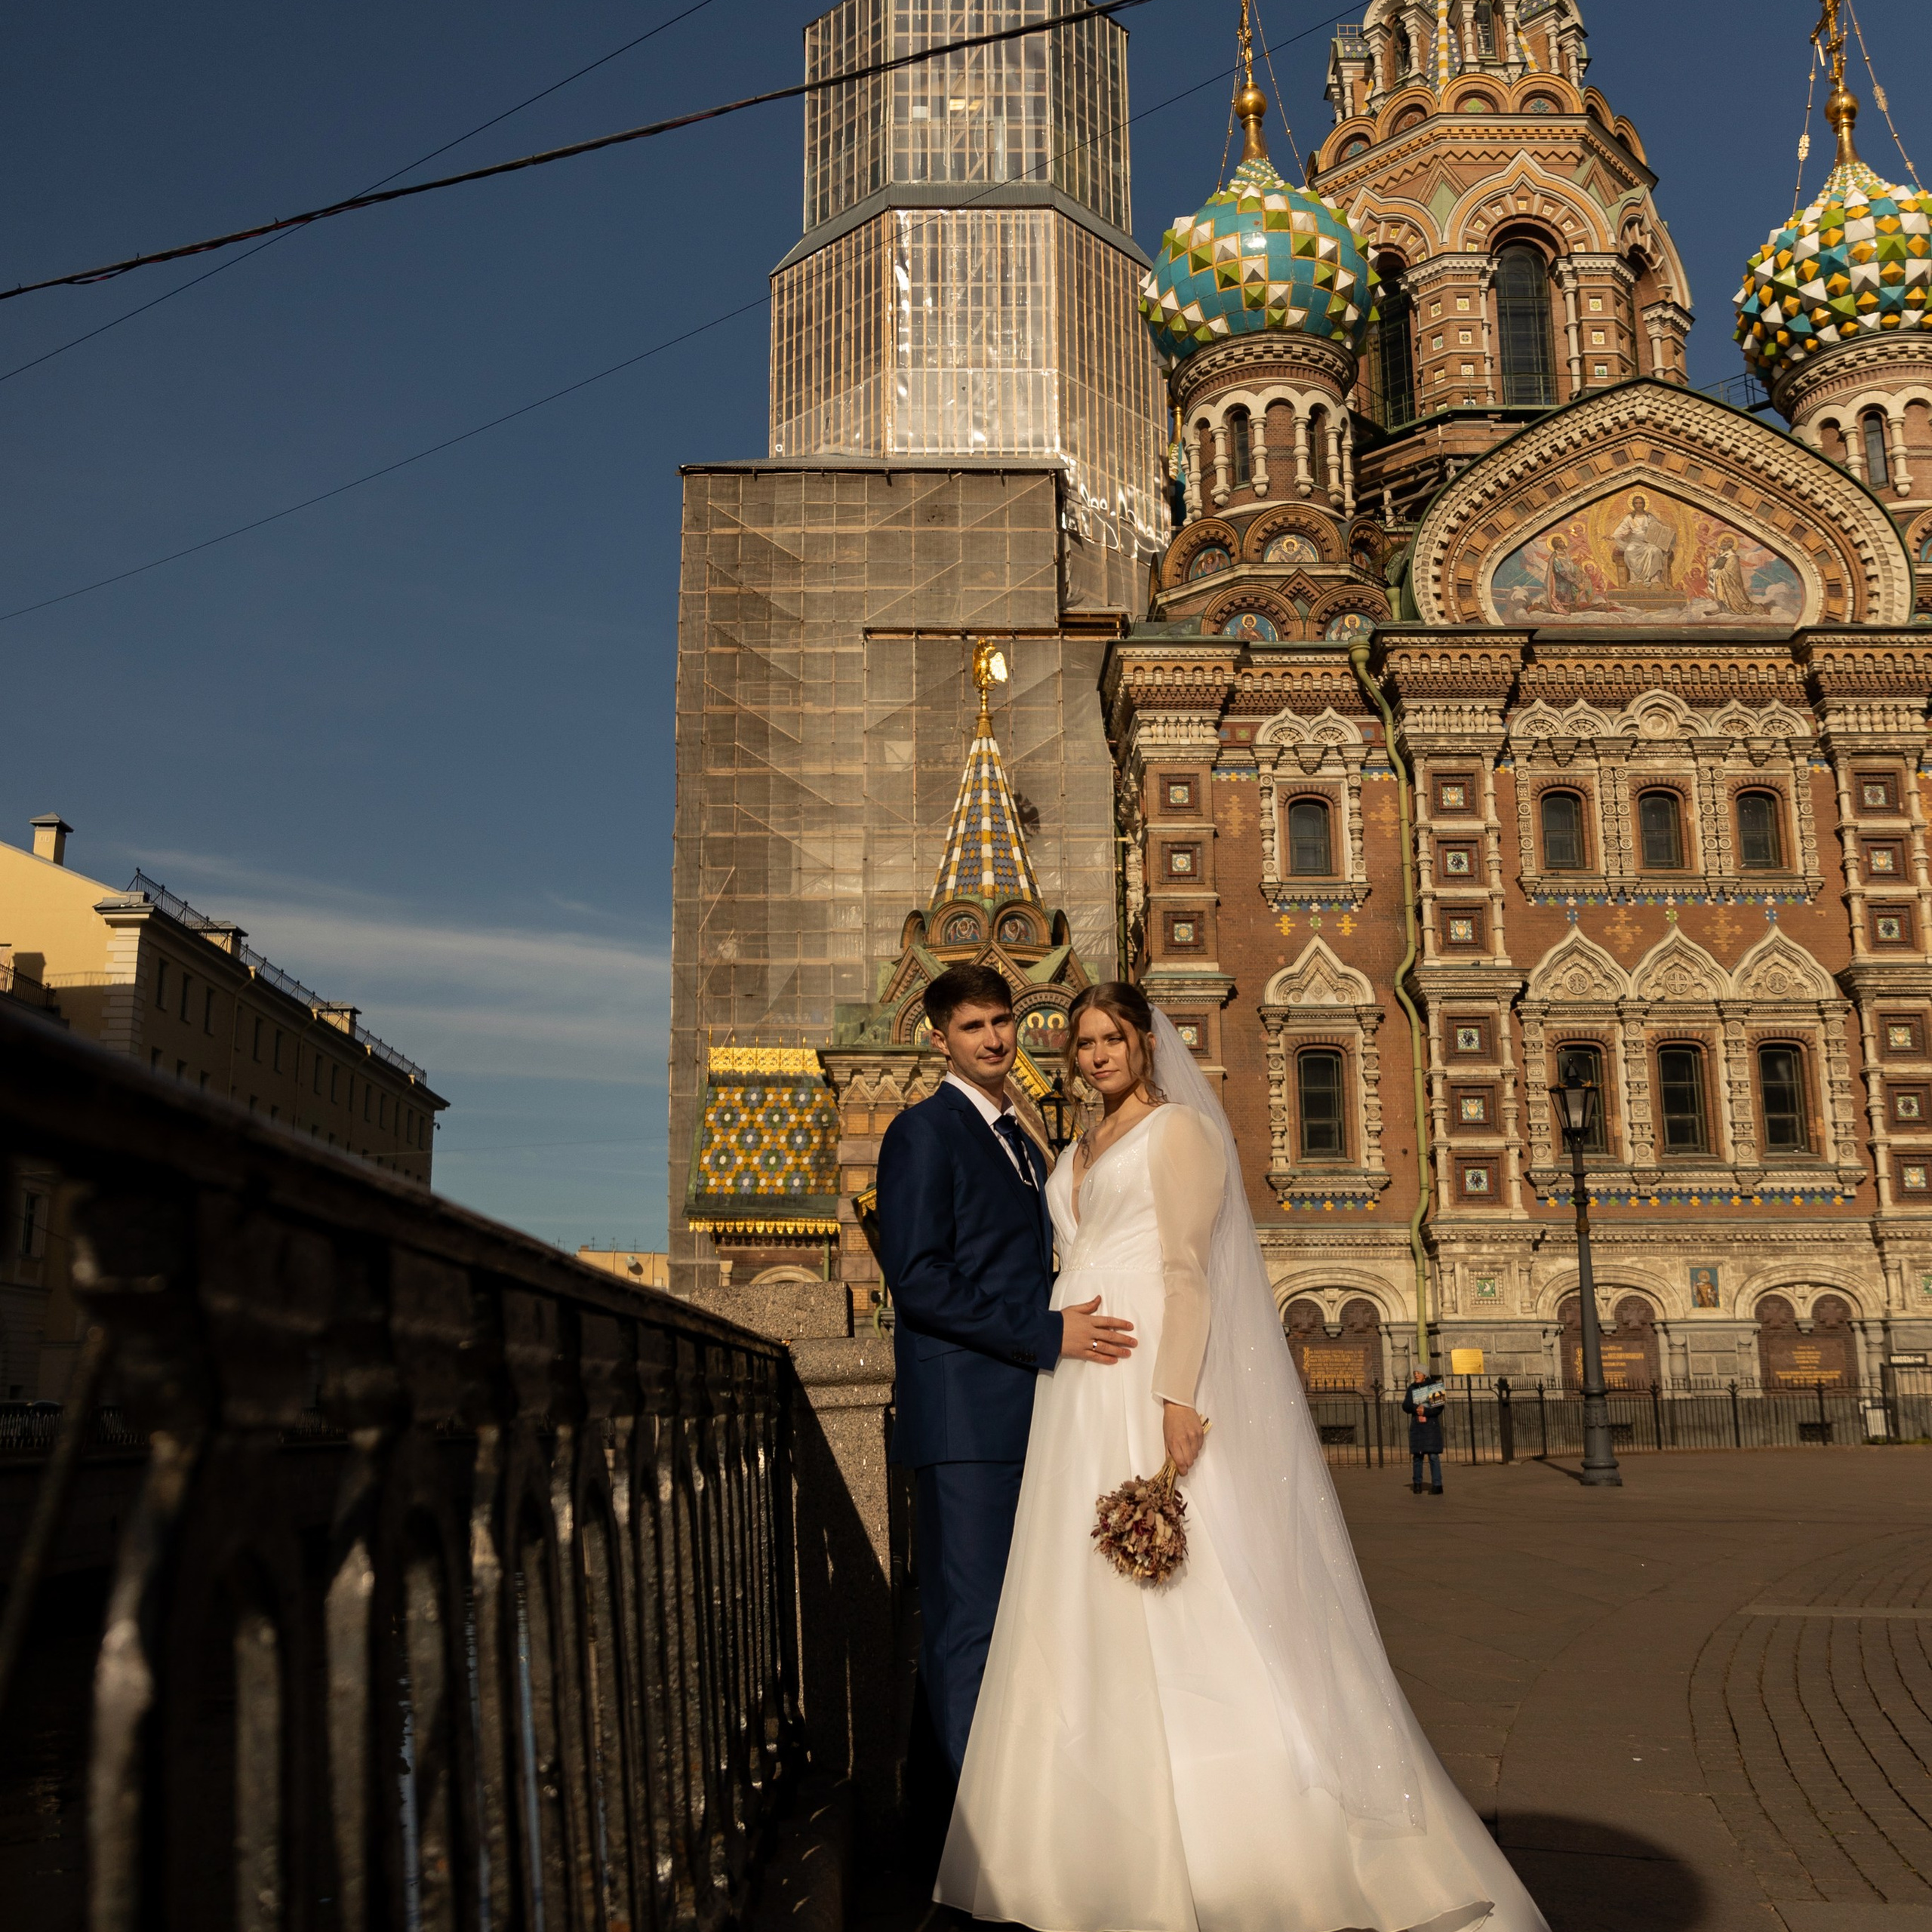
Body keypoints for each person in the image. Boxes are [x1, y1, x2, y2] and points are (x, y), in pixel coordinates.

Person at [938, 983, 1550, 1932]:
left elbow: (1186, 1267)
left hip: (1144, 1360)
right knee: (1075, 1586)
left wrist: (1179, 1394)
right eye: (1083, 1042)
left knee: (1188, 1577)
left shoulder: (1179, 1130)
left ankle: (1241, 1831)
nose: (1096, 1054)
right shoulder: (1075, 1145)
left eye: (1112, 1038)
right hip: (1076, 1382)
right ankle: (1082, 1832)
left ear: (1145, 1044)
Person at [875, 964, 1137, 1790]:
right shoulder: (923, 1131)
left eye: (1001, 1022)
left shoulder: (1019, 1138)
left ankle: (953, 1821)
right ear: (939, 1039)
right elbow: (919, 1279)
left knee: (1016, 1620)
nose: (993, 1040)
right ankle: (970, 1831)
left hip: (1026, 1411)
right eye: (972, 1027)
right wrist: (1048, 1333)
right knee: (970, 1626)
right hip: (965, 1421)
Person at [1404, 1367, 1447, 1494]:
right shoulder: (1412, 1388)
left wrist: (1426, 1411)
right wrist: (1416, 1408)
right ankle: (1417, 1484)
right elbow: (1405, 1405)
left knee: (1433, 1456)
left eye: (1419, 1373)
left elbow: (1439, 1408)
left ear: (1425, 1375)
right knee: (1418, 1456)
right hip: (1417, 1426)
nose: (1416, 1375)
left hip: (1431, 1426)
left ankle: (1437, 1485)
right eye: (1415, 1373)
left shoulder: (1435, 1387)